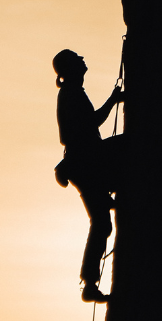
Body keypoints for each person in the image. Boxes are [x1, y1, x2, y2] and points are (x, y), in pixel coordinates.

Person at [52, 49, 124, 303]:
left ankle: (90, 283)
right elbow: (91, 123)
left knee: (102, 222)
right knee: (102, 223)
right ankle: (89, 284)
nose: (83, 60)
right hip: (86, 163)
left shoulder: (72, 92)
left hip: (85, 163)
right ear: (70, 68)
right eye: (77, 59)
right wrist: (113, 100)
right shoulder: (70, 94)